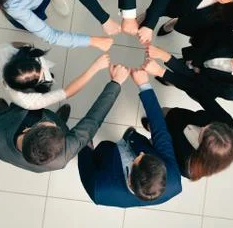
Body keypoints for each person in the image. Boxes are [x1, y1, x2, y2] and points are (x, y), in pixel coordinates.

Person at [0, 64, 130, 173]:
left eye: (51, 125)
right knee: (56, 120)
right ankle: (59, 119)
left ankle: (10, 111)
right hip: (17, 123)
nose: (52, 124)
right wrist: (116, 83)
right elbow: (93, 120)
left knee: (12, 112)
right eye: (52, 125)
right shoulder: (63, 155)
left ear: (29, 129)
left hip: (9, 124)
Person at [77, 69, 182, 208]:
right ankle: (129, 137)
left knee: (103, 148)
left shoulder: (99, 190)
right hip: (132, 141)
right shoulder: (173, 179)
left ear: (130, 179)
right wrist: (144, 85)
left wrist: (85, 141)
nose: (143, 152)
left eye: (139, 158)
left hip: (104, 157)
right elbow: (160, 131)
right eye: (146, 155)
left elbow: (86, 163)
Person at [143, 32, 233, 101]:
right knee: (184, 63)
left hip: (201, 80)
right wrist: (196, 61)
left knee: (181, 79)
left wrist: (165, 67)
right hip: (202, 55)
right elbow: (216, 37)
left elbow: (197, 85)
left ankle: (170, 80)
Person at [141, 97, 233, 180]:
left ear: (204, 149)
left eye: (203, 133)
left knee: (153, 134)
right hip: (176, 116)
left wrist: (156, 131)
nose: (203, 126)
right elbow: (207, 101)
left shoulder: (189, 167)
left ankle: (151, 126)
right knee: (163, 112)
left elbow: (164, 151)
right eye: (209, 125)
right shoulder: (232, 128)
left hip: (166, 140)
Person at [0, 42, 111, 110]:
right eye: (40, 76)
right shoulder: (29, 101)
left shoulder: (3, 50)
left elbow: (18, 44)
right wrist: (95, 67)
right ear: (30, 88)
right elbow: (68, 92)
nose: (42, 69)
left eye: (38, 65)